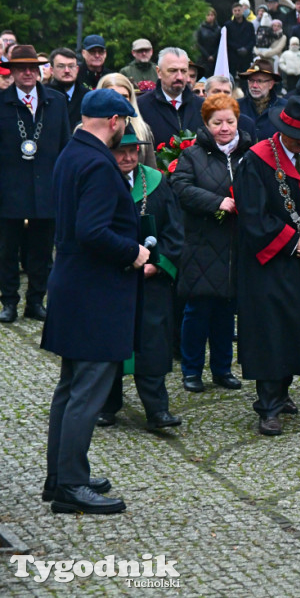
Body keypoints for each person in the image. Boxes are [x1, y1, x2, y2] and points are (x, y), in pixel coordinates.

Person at [41, 89, 149, 515]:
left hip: (72, 285)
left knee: (69, 389)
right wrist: (134, 252)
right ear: (117, 121)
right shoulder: (100, 164)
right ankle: (69, 486)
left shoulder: (72, 152)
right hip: (95, 293)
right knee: (86, 392)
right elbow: (93, 231)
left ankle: (63, 474)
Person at [234, 96, 300, 436]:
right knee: (270, 330)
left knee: (295, 327)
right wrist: (293, 242)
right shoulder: (256, 160)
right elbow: (252, 215)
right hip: (268, 261)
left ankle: (284, 390)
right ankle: (268, 405)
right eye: (296, 138)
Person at [96, 126, 183, 431]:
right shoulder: (98, 180)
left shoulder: (156, 183)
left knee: (152, 343)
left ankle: (157, 410)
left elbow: (174, 232)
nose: (129, 156)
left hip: (150, 281)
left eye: (134, 150)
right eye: (121, 150)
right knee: (109, 343)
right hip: (111, 281)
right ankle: (107, 405)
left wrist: (158, 266)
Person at [171, 93, 252, 394]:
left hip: (236, 246)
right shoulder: (193, 155)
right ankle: (191, 370)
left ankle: (222, 368)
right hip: (202, 244)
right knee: (197, 311)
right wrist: (218, 202)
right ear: (206, 124)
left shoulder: (248, 153)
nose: (225, 128)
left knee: (225, 313)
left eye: (230, 121)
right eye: (217, 123)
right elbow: (180, 188)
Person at [0, 45, 71, 323]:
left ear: (41, 70)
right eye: (21, 68)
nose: (28, 72)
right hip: (9, 189)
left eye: (33, 67)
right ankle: (9, 301)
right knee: (7, 251)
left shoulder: (56, 101)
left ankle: (36, 301)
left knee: (42, 251)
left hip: (47, 188)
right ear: (13, 71)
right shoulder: (2, 101)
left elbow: (65, 145)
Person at [136, 47, 205, 148]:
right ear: (159, 72)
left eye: (184, 71)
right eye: (173, 71)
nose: (179, 77)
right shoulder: (141, 106)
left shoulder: (202, 107)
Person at [97, 73, 158, 170]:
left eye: (124, 96)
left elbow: (151, 171)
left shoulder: (142, 129)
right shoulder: (87, 130)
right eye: (113, 95)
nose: (119, 100)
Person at [236, 59, 286, 142]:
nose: (254, 86)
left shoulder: (284, 107)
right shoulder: (236, 106)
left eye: (259, 81)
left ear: (271, 84)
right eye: (251, 80)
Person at [48, 47, 87, 128]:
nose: (67, 70)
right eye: (61, 66)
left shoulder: (87, 96)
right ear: (51, 70)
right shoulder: (42, 95)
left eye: (71, 66)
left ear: (77, 69)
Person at [225, 2, 256, 77]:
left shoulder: (249, 25)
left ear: (242, 11)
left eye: (239, 10)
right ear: (232, 12)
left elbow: (253, 40)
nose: (237, 12)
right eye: (235, 11)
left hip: (246, 56)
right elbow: (227, 40)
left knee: (245, 78)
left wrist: (246, 48)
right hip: (233, 56)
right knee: (231, 77)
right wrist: (237, 48)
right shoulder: (228, 25)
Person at [195, 7, 221, 79]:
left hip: (214, 58)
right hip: (203, 58)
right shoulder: (200, 28)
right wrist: (207, 55)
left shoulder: (218, 29)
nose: (210, 17)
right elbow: (198, 43)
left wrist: (214, 56)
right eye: (208, 15)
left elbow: (219, 44)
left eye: (212, 15)